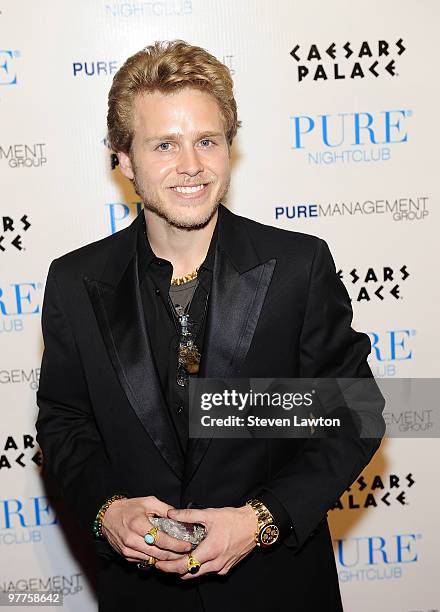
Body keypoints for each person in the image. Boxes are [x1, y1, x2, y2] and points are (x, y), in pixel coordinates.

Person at [36, 40, 385, 611]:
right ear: (123, 159)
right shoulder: (75, 282)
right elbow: (65, 421)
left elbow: (357, 411)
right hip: (142, 596)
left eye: (206, 141)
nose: (191, 165)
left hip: (280, 590)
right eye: (164, 145)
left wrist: (261, 520)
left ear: (229, 147)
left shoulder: (299, 266)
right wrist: (108, 510)